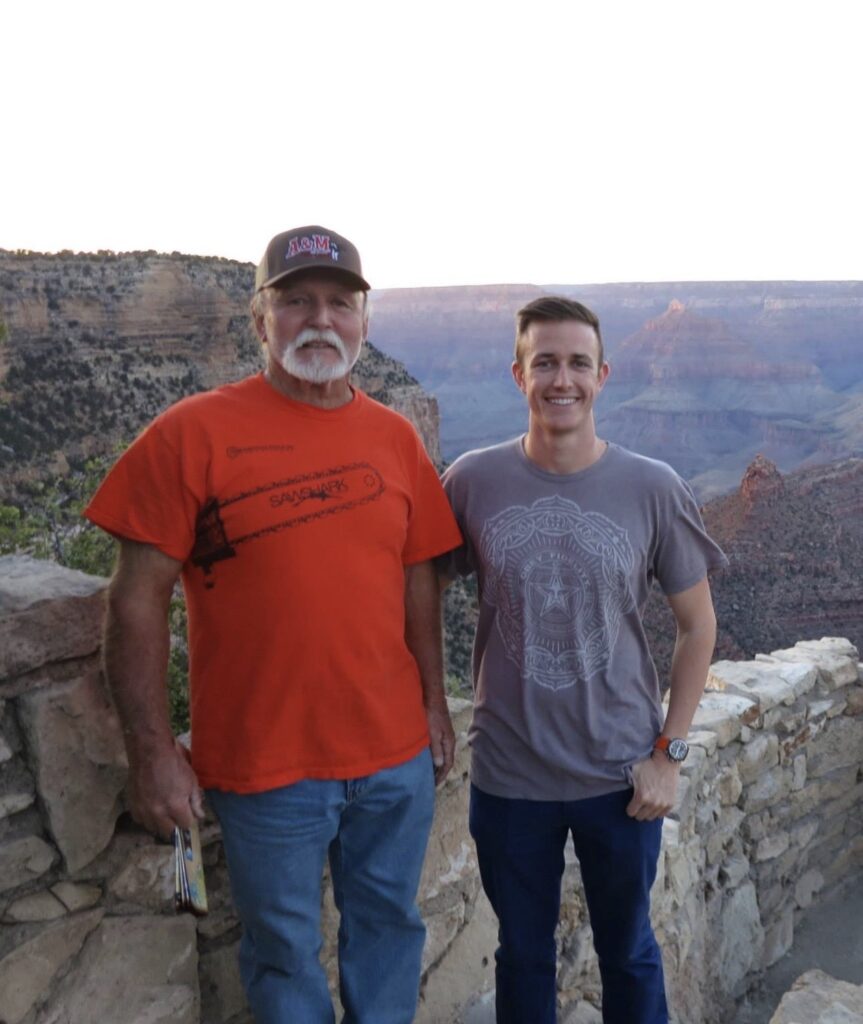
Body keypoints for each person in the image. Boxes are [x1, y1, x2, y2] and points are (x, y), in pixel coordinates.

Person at [85, 225, 463, 1024]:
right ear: (259, 320)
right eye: (294, 302)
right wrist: (151, 753)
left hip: (393, 758)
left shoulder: (395, 437)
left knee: (389, 930)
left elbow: (417, 578)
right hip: (263, 767)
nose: (317, 319)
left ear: (362, 323)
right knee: (283, 955)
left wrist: (433, 703)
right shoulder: (191, 434)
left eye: (337, 303)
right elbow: (134, 598)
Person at [438, 296, 727, 1024]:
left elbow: (697, 628)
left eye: (574, 363)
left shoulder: (652, 486)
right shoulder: (471, 481)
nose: (559, 379)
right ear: (517, 374)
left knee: (627, 951)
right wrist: (424, 703)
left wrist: (669, 752)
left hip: (620, 776)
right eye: (543, 363)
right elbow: (417, 587)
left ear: (602, 374)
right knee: (522, 955)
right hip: (508, 776)